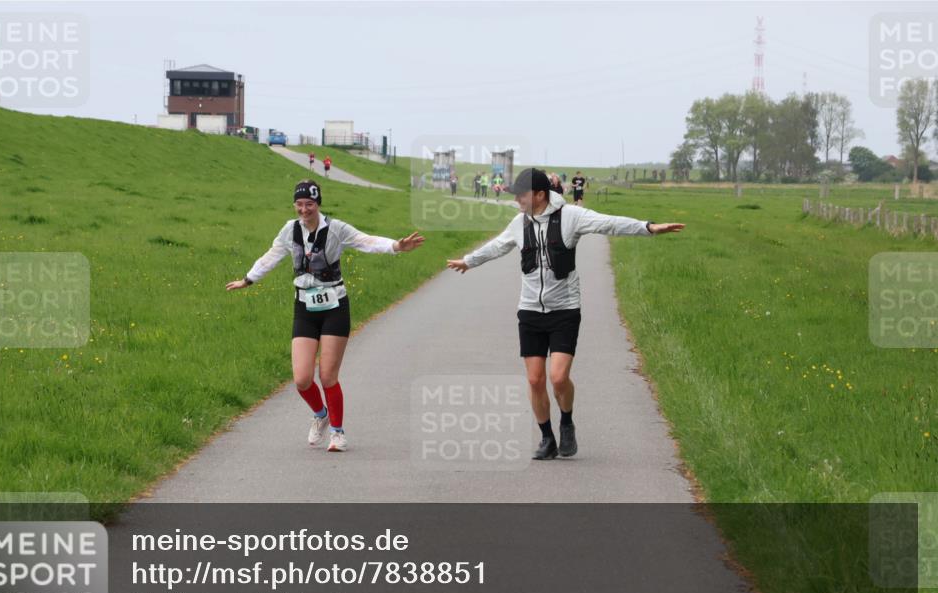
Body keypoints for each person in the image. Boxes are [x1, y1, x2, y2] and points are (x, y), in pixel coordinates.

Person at [445, 168, 683, 461]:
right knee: (535, 381)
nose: (517, 200)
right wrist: (469, 262)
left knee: (558, 378)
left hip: (565, 310)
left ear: (540, 195)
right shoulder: (519, 223)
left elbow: (608, 224)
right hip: (530, 310)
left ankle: (566, 420)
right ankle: (547, 438)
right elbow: (498, 246)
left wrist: (647, 227)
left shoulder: (571, 217)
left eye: (522, 195)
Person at [226, 180, 425, 452]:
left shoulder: (336, 229)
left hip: (334, 307)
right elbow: (271, 256)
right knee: (302, 378)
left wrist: (396, 247)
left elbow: (366, 241)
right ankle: (320, 415)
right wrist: (248, 279)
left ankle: (338, 432)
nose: (304, 210)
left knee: (328, 375)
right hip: (304, 308)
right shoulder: (289, 230)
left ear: (318, 204)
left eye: (309, 204)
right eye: (299, 205)